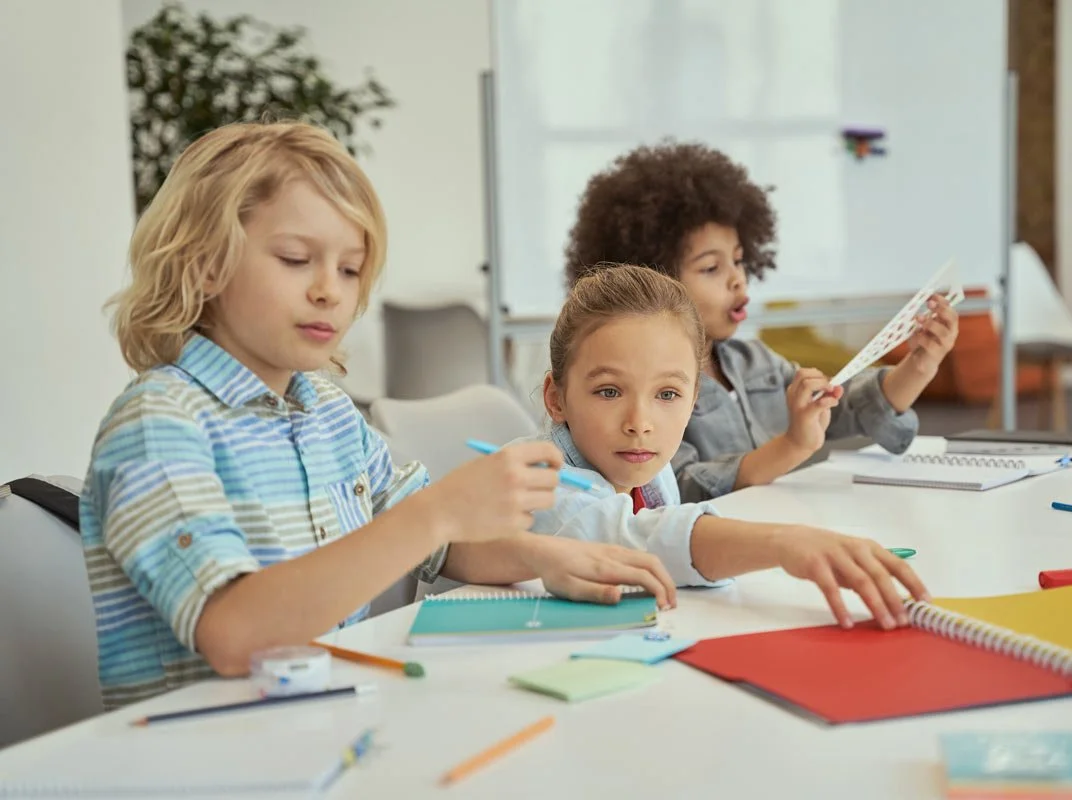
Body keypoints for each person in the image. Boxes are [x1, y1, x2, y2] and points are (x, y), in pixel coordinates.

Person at [79, 121, 674, 709]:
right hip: (200, 759)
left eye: (349, 269)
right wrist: (435, 513)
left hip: (324, 731)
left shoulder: (328, 413)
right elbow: (235, 637)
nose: (329, 292)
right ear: (205, 264)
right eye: (294, 259)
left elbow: (441, 548)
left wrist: (547, 559)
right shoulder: (157, 424)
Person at [508, 264, 929, 631]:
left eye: (668, 395)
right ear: (556, 398)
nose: (640, 423)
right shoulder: (541, 482)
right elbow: (628, 540)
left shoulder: (648, 469)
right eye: (608, 391)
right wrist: (784, 543)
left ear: (694, 399)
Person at [564, 142, 959, 502]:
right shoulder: (651, 390)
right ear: (655, 282)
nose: (738, 278)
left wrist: (919, 365)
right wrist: (792, 445)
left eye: (738, 260)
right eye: (711, 268)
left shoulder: (756, 362)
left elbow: (845, 408)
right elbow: (681, 486)